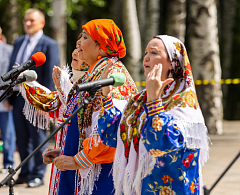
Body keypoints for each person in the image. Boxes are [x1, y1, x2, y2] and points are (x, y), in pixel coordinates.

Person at [20, 19, 138, 195]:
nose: (78, 42)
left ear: (102, 46)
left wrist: (77, 160)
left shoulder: (113, 74)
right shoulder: (92, 75)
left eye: (84, 37)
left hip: (104, 176)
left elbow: (112, 130)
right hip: (91, 169)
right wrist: (66, 149)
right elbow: (85, 126)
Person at [98, 35, 210, 195]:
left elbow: (161, 145)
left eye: (154, 53)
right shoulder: (139, 99)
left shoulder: (184, 101)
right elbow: (113, 136)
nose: (146, 58)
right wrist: (106, 96)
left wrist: (154, 102)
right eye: (145, 53)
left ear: (173, 62)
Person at [7, 8, 60, 187]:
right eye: (26, 20)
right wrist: (8, 95)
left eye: (32, 21)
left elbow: (50, 75)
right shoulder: (19, 41)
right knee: (21, 137)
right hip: (18, 97)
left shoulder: (49, 44)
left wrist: (44, 101)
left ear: (42, 23)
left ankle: (38, 173)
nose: (28, 23)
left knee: (37, 137)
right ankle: (26, 171)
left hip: (37, 99)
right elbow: (12, 67)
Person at [0, 27, 16, 174]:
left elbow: (12, 74)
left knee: (7, 134)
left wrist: (9, 95)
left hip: (3, 99)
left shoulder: (9, 50)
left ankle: (8, 163)